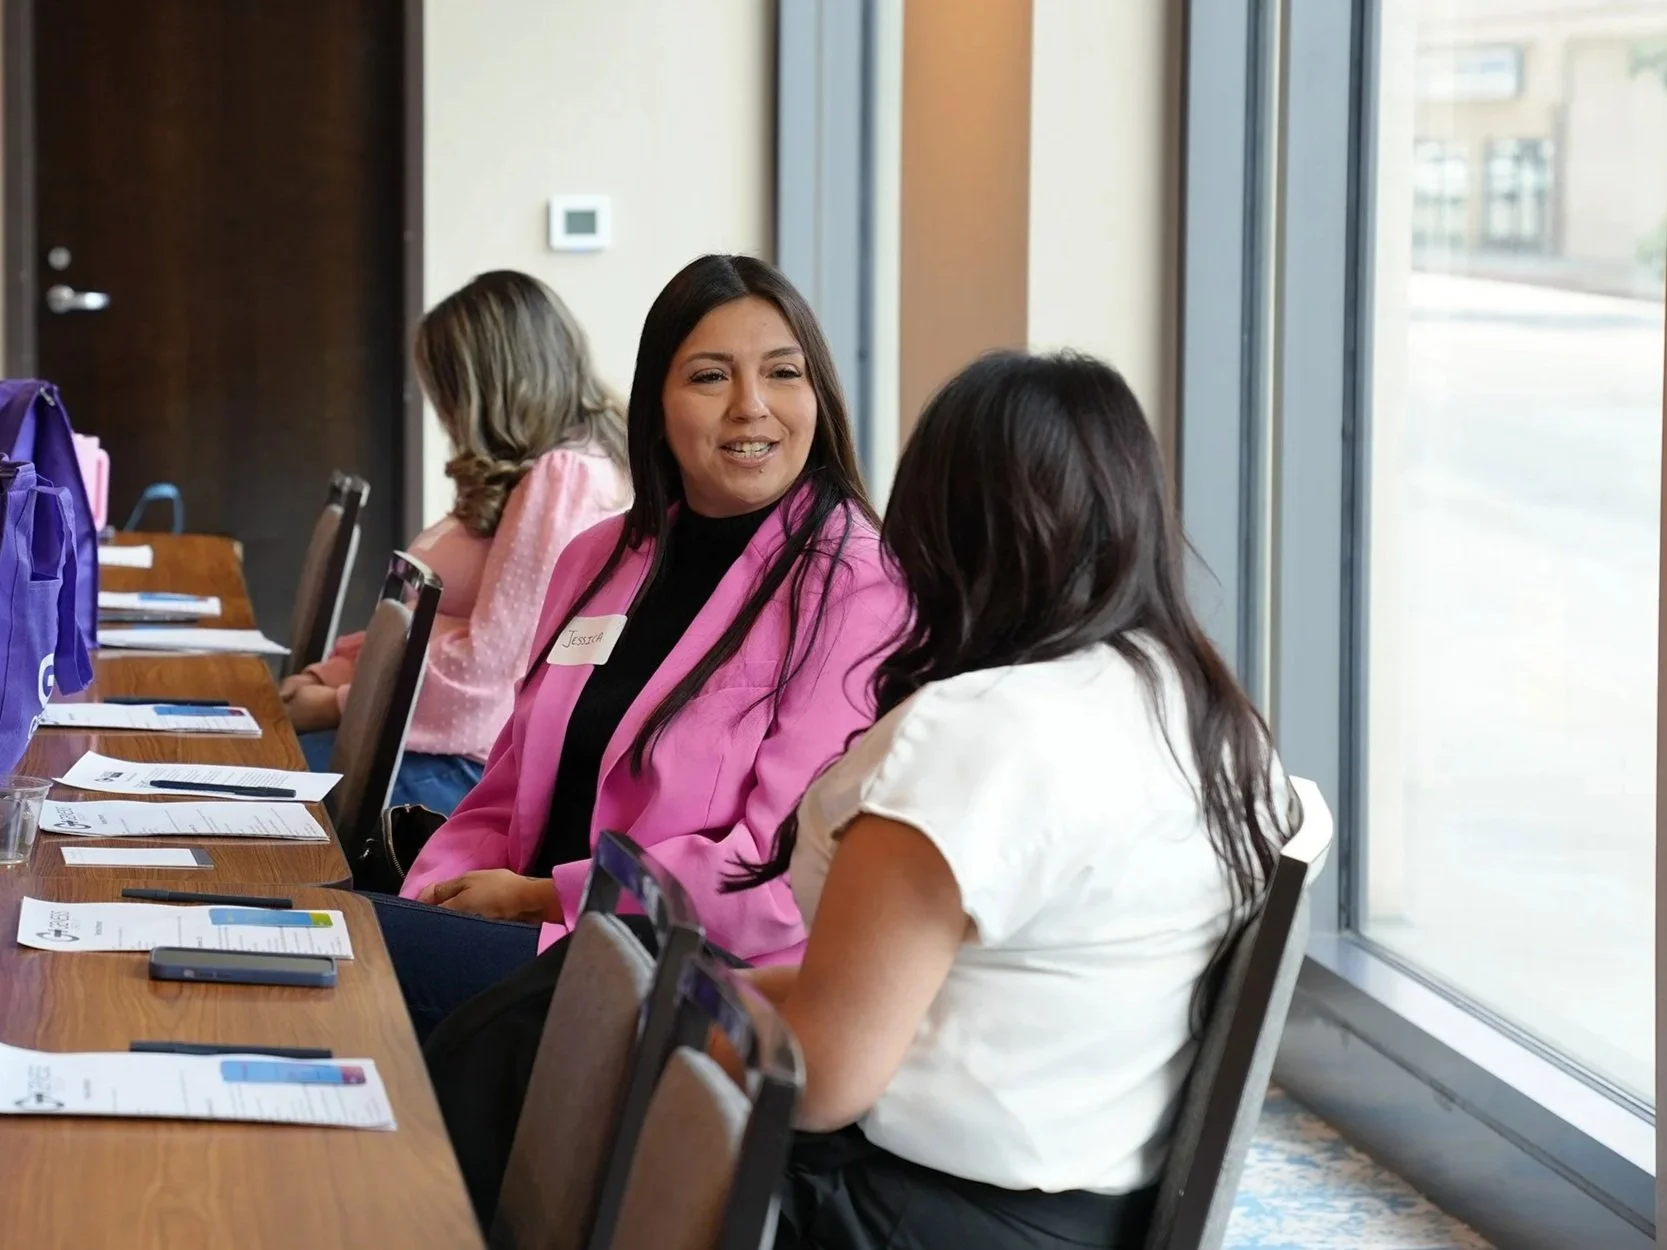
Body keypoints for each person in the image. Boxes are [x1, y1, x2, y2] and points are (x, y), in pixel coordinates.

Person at [736, 351, 1312, 1249]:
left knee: (553, 1067)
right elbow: (972, 997)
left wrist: (671, 1015)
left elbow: (821, 1082)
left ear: (941, 528)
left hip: (903, 1217)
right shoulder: (1205, 716)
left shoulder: (978, 735)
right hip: (1077, 1217)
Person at [377, 254, 903, 1042]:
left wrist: (541, 899)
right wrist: (439, 894)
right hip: (530, 946)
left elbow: (782, 872)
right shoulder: (602, 556)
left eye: (783, 373)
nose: (751, 408)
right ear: (655, 405)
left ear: (819, 397)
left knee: (344, 958)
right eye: (709, 377)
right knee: (316, 942)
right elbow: (505, 780)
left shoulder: (856, 588)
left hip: (673, 979)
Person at [281, 270, 629, 815]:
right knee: (249, 764)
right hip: (424, 741)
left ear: (486, 386)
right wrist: (339, 672)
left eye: (445, 389)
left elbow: (490, 670)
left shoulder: (565, 479)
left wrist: (337, 703)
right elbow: (428, 625)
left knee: (256, 783)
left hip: (459, 766)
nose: (443, 412)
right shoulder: (538, 473)